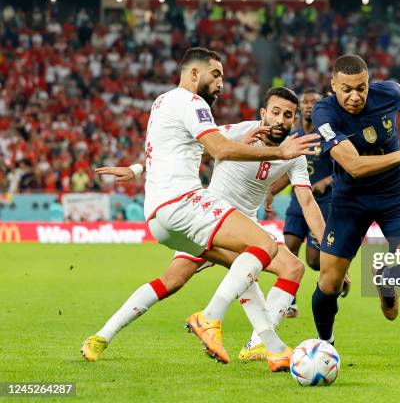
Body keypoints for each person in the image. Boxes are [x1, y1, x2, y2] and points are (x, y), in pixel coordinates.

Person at [81, 47, 319, 372]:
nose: (222, 83)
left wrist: (136, 170)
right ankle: (210, 318)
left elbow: (177, 147)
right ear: (194, 74)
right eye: (216, 75)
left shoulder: (163, 101)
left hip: (163, 216)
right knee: (261, 247)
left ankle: (267, 345)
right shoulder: (197, 106)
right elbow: (218, 148)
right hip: (195, 208)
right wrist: (279, 152)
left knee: (227, 271)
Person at [310, 54, 400, 344]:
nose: (355, 96)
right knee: (330, 282)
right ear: (333, 85)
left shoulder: (388, 92)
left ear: (369, 83)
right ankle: (325, 345)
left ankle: (385, 276)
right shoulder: (325, 113)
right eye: (347, 89)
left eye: (362, 88)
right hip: (350, 199)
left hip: (395, 195)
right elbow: (354, 167)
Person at [264, 88, 349, 318]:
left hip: (322, 203)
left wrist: (327, 180)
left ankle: (339, 273)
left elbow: (345, 165)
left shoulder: (328, 133)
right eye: (306, 101)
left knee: (313, 260)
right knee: (289, 245)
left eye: (314, 102)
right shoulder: (295, 134)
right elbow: (286, 169)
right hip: (297, 201)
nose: (310, 105)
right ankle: (289, 303)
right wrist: (271, 191)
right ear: (300, 107)